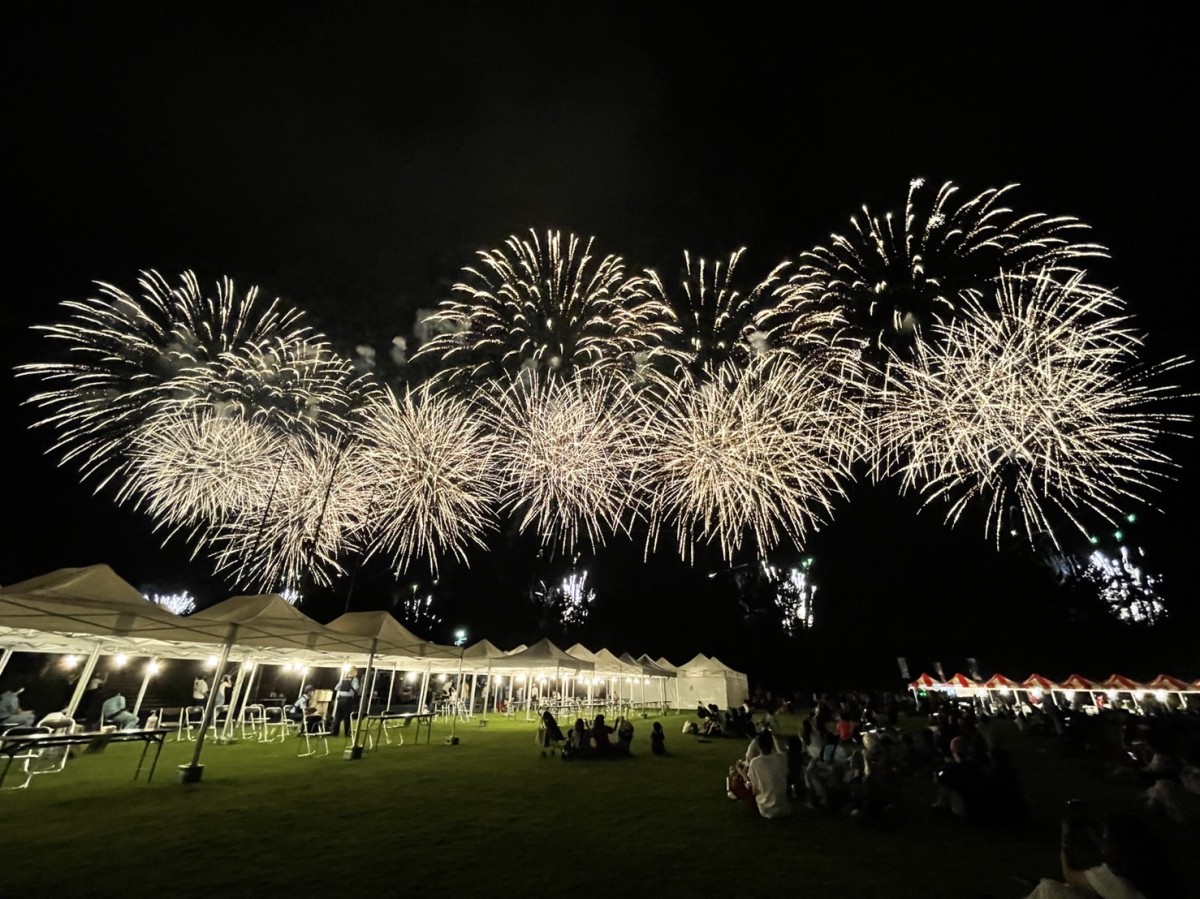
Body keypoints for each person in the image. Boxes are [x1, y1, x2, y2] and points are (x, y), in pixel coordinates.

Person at [744, 729, 791, 818]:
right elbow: (781, 753)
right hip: (783, 807)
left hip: (766, 809)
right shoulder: (781, 758)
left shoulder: (755, 763)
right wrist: (775, 740)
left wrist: (742, 774)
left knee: (746, 782)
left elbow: (754, 790)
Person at [331, 668, 360, 737]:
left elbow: (336, 688)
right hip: (348, 699)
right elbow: (356, 687)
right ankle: (347, 732)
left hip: (340, 699)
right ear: (354, 672)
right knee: (347, 716)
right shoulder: (355, 679)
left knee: (338, 716)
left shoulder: (344, 679)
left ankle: (335, 732)